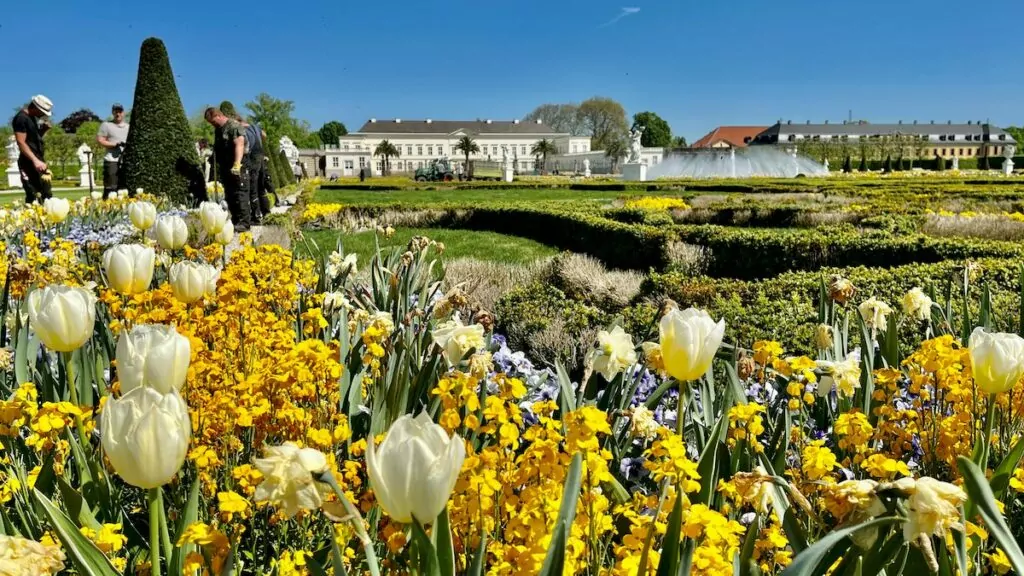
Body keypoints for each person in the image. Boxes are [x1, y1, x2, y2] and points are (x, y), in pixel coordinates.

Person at [204, 107, 251, 232]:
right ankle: (235, 220)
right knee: (230, 194)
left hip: (238, 165)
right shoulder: (219, 130)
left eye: (213, 122)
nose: (213, 125)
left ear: (219, 116)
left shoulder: (233, 126)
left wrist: (237, 163)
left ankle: (244, 223)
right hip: (226, 166)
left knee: (240, 192)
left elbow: (239, 144)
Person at [11, 95, 53, 204]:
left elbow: (33, 140)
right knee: (33, 196)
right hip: (28, 163)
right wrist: (35, 160)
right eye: (42, 112)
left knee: (46, 195)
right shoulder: (21, 118)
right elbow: (21, 142)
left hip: (38, 161)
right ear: (35, 107)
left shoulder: (32, 118)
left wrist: (43, 130)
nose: (43, 114)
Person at [96, 103, 130, 199]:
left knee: (124, 188)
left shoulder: (128, 127)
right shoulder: (106, 125)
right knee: (111, 187)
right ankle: (107, 207)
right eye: (116, 112)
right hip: (112, 160)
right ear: (113, 112)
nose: (118, 114)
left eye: (120, 111)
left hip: (125, 161)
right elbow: (100, 140)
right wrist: (114, 144)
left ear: (123, 113)